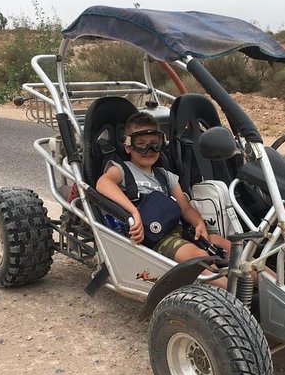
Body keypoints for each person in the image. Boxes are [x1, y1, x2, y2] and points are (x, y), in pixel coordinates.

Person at [96, 112, 231, 287]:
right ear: (128, 146)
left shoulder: (165, 176)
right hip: (154, 238)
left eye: (154, 144)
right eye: (141, 144)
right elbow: (102, 183)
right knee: (199, 258)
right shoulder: (122, 169)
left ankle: (269, 288)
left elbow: (185, 207)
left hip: (179, 230)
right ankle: (238, 301)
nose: (148, 150)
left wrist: (198, 222)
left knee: (228, 246)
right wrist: (134, 212)